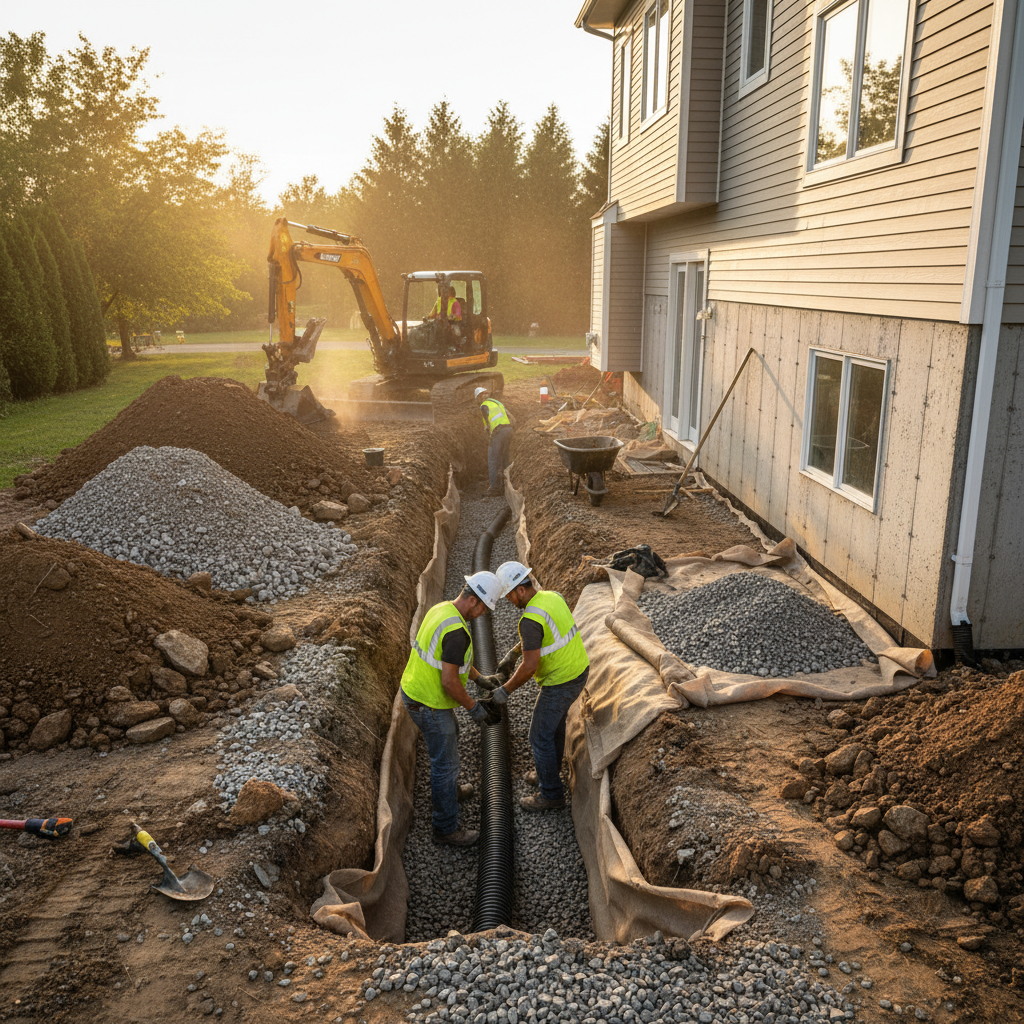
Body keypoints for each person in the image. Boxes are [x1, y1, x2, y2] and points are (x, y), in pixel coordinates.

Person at [399, 571, 503, 846]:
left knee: (450, 737)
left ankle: (450, 792)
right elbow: (448, 682)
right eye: (483, 608)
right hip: (428, 703)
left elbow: (451, 662)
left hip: (417, 691)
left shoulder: (442, 609)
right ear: (472, 601)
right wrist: (474, 709)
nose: (482, 614)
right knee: (445, 765)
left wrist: (479, 678)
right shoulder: (457, 633)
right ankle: (445, 829)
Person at [478, 561, 590, 811]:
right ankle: (548, 771)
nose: (508, 600)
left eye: (508, 595)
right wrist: (513, 653)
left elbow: (530, 667)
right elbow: (546, 635)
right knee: (554, 726)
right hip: (578, 670)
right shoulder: (553, 597)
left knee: (538, 736)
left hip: (561, 681)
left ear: (519, 590)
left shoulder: (529, 620)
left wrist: (504, 691)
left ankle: (551, 794)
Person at [475, 386, 514, 497]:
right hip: (509, 430)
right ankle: (508, 484)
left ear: (479, 397)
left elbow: (488, 424)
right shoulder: (497, 403)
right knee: (504, 457)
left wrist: (490, 436)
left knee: (492, 459)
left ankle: (495, 489)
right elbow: (511, 417)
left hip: (498, 432)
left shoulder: (484, 406)